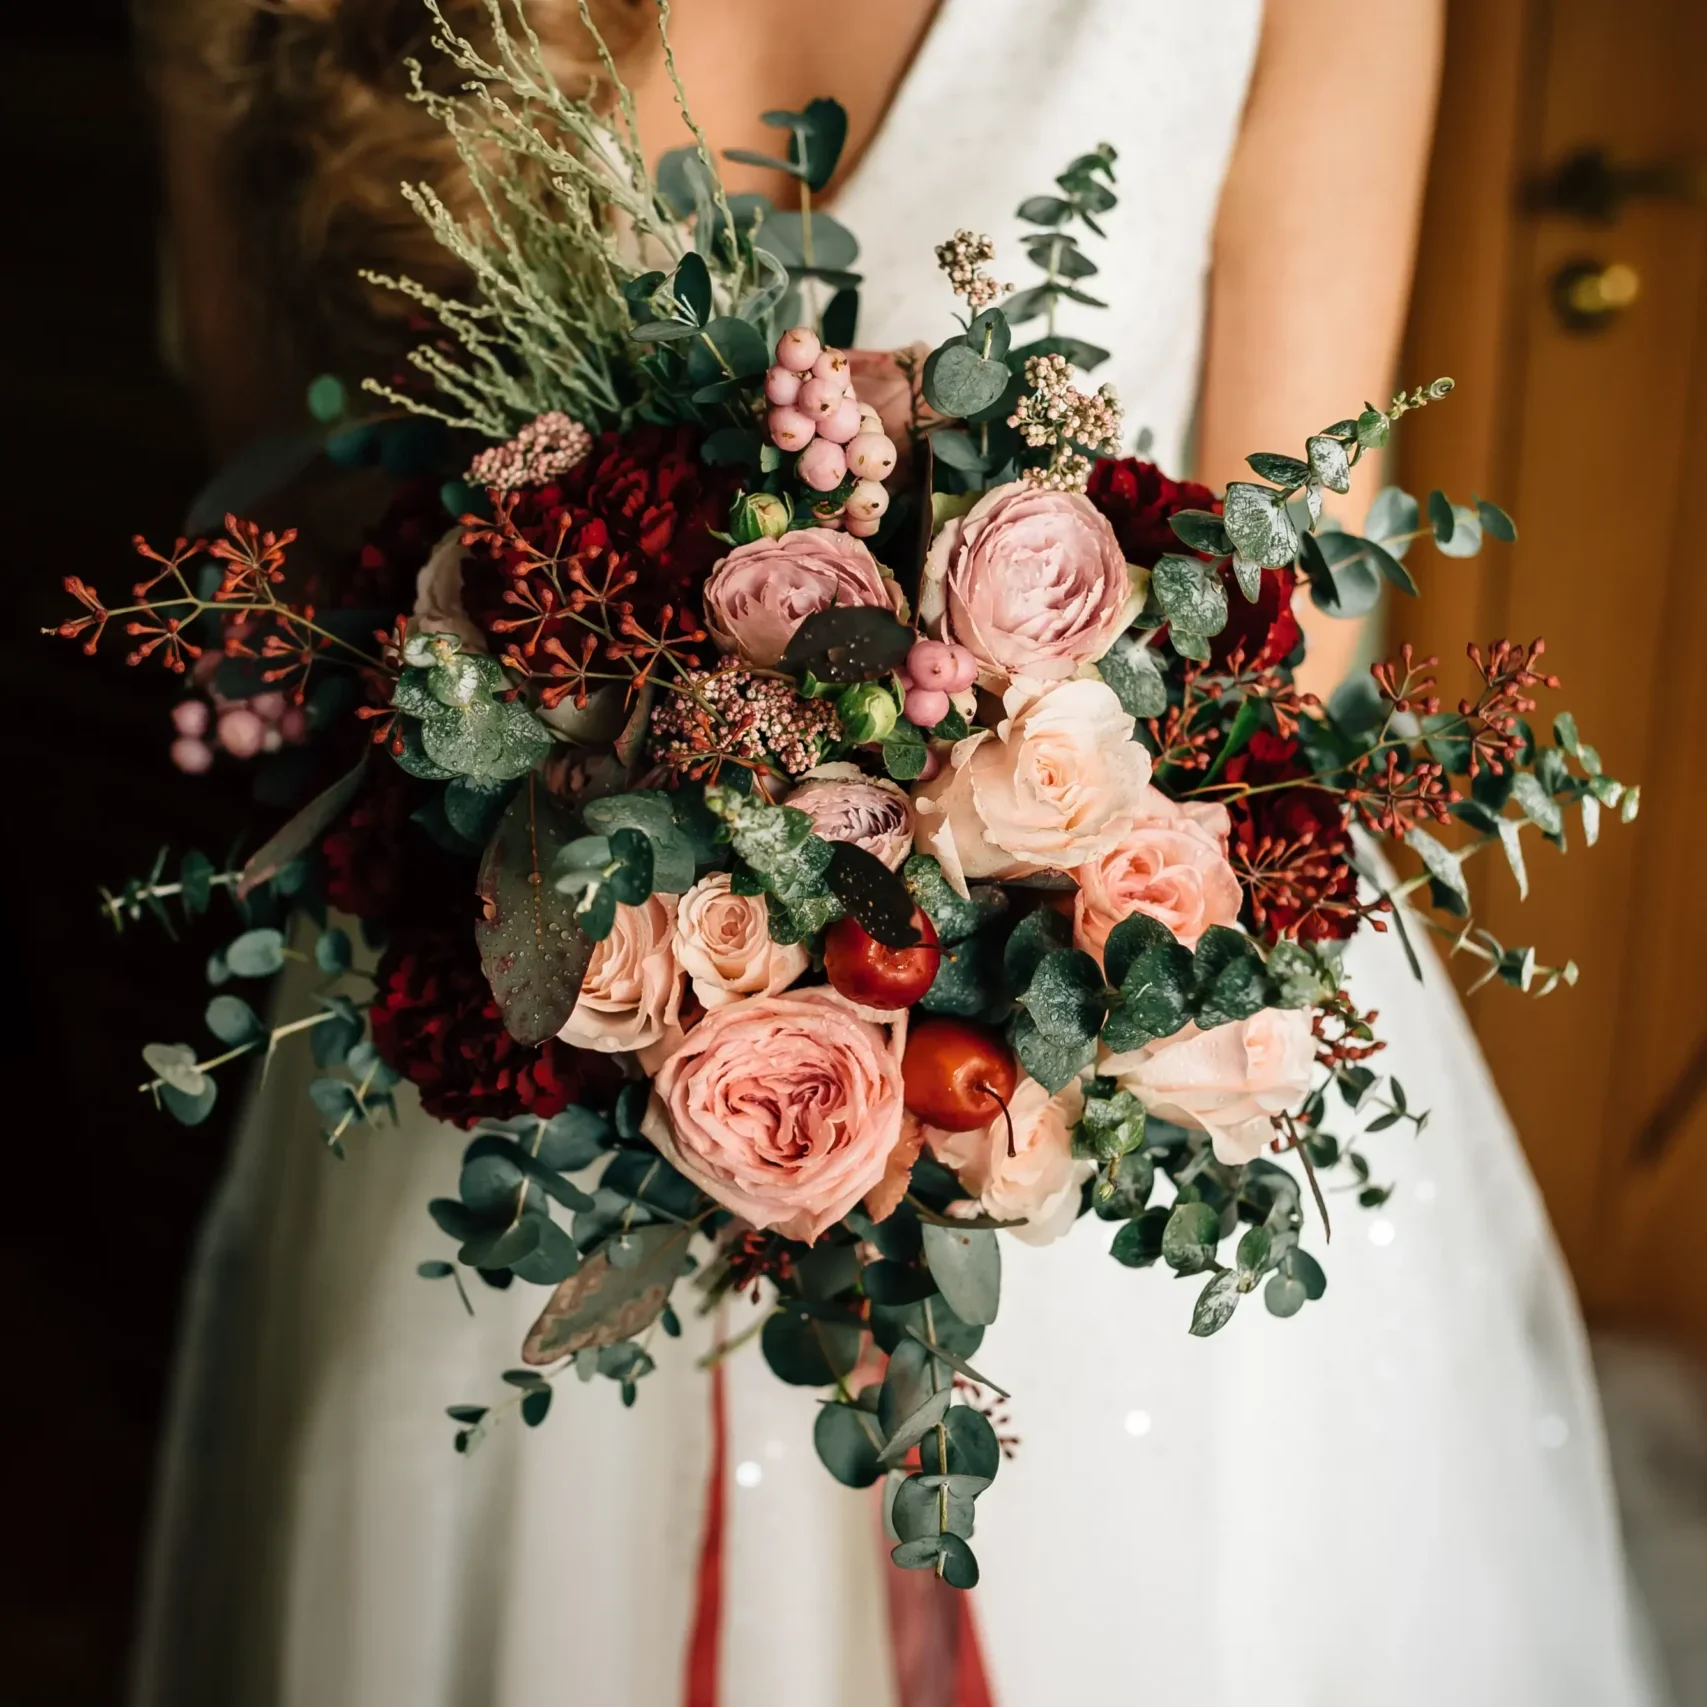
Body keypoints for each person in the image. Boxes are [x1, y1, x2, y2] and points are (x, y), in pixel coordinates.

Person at [131, 3, 1663, 1704]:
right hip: (512, 1018)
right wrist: (673, 870)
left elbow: (1278, 638)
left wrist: (959, 970)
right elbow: (287, 542)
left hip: (1076, 1036)